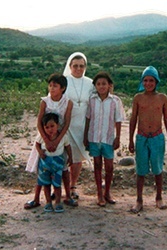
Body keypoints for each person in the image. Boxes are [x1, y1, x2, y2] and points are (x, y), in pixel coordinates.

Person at [25, 73, 77, 209]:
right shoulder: (44, 101)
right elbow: (39, 122)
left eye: (55, 86)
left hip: (61, 138)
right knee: (41, 169)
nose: (52, 88)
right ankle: (36, 198)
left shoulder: (68, 102)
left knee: (64, 169)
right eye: (50, 85)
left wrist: (57, 140)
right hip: (44, 137)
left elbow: (66, 123)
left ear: (63, 88)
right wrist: (47, 140)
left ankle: (68, 197)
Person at [128, 66, 167, 213]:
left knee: (158, 169)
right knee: (140, 170)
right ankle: (139, 200)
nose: (148, 83)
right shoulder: (138, 98)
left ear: (156, 81)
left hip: (157, 137)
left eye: (151, 80)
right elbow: (133, 119)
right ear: (142, 81)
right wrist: (130, 140)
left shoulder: (162, 98)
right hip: (142, 137)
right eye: (145, 80)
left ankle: (159, 197)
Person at [83, 72, 125, 207]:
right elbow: (88, 118)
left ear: (109, 85)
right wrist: (85, 136)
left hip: (107, 138)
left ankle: (107, 192)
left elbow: (118, 120)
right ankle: (99, 194)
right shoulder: (92, 100)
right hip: (94, 137)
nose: (101, 87)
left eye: (104, 84)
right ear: (95, 86)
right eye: (99, 84)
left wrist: (118, 137)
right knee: (96, 165)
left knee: (109, 167)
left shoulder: (115, 101)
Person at [63, 52, 95, 200]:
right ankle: (58, 187)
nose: (78, 69)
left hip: (82, 125)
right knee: (62, 158)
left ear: (85, 67)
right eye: (75, 66)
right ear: (70, 67)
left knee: (77, 158)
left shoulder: (90, 82)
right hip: (65, 125)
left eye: (81, 66)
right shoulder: (64, 81)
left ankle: (72, 186)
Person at [35, 112, 73, 213]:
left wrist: (70, 157)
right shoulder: (42, 137)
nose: (50, 129)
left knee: (57, 184)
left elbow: (68, 147)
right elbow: (37, 144)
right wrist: (40, 152)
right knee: (46, 184)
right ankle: (48, 202)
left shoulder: (63, 137)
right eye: (47, 127)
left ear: (58, 125)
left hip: (58, 162)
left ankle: (58, 202)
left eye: (52, 126)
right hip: (45, 163)